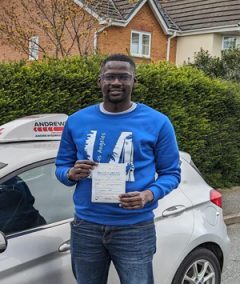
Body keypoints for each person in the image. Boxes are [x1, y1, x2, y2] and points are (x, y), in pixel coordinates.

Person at [55, 54, 181, 284]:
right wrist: (70, 174)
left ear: (134, 81)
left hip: (134, 228)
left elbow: (171, 173)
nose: (116, 82)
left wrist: (148, 194)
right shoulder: (76, 121)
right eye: (110, 76)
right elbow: (61, 168)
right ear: (99, 80)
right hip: (86, 227)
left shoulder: (158, 122)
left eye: (123, 77)